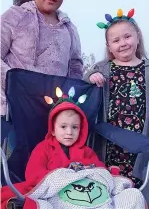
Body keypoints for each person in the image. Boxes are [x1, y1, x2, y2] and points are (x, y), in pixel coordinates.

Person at [1, 87, 147, 209]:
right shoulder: (43, 149)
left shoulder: (87, 151)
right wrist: (64, 174)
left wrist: (109, 173)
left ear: (81, 129)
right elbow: (33, 175)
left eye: (75, 127)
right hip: (59, 197)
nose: (69, 132)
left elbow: (99, 171)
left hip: (94, 198)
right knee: (41, 206)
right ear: (52, 129)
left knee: (132, 196)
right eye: (63, 127)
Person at [1, 0, 83, 119]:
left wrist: (67, 103)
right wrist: (16, 83)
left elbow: (75, 69)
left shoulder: (70, 29)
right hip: (15, 109)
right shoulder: (15, 16)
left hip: (53, 114)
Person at [84, 8, 149, 199]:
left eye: (127, 36)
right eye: (116, 40)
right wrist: (92, 77)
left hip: (138, 139)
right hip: (110, 140)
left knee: (134, 187)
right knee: (109, 182)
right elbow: (85, 79)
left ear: (137, 37)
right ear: (109, 46)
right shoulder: (104, 67)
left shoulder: (146, 68)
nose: (123, 43)